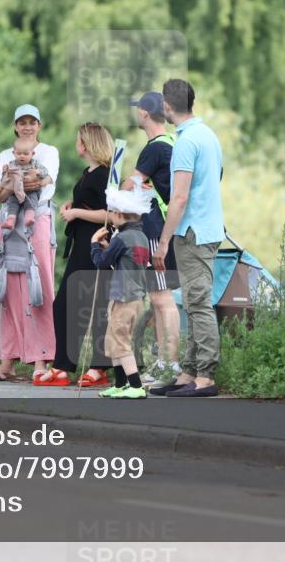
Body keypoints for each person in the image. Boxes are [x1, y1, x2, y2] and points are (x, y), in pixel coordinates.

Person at [150, 79, 225, 398]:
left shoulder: (184, 143)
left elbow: (179, 199)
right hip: (208, 227)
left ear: (167, 107)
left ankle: (205, 376)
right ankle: (189, 373)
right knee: (195, 302)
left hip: (192, 231)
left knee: (197, 303)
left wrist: (164, 240)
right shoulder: (208, 136)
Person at [0, 104, 59, 383]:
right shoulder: (6, 153)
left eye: (32, 122)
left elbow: (42, 185)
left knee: (38, 286)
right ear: (15, 126)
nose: (27, 126)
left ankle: (42, 357)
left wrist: (11, 184)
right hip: (8, 222)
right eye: (22, 122)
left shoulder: (49, 152)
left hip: (36, 220)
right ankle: (8, 360)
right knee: (9, 290)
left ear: (39, 125)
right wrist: (13, 185)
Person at [38, 123, 115, 387]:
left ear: (87, 143)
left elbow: (112, 214)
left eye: (79, 139)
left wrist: (77, 213)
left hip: (96, 244)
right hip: (81, 243)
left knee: (95, 305)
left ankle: (99, 366)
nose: (76, 143)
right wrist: (74, 205)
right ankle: (63, 364)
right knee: (67, 304)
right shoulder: (87, 172)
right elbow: (90, 203)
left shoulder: (105, 174)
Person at [121, 92, 182, 385]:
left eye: (138, 110)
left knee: (162, 298)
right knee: (159, 298)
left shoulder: (154, 148)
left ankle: (170, 366)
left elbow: (129, 186)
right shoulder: (172, 142)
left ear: (145, 113)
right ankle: (163, 363)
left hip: (156, 231)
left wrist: (122, 185)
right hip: (167, 228)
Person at [90, 186, 153, 399]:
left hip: (123, 297)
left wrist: (95, 245)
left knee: (120, 341)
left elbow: (102, 263)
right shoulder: (141, 237)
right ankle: (120, 384)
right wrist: (110, 247)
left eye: (112, 214)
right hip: (136, 297)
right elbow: (125, 260)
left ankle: (135, 386)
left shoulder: (122, 238)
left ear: (118, 214)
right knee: (113, 340)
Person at [0, 137, 51, 231]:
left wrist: (38, 172)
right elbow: (5, 180)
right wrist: (4, 172)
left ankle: (29, 217)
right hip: (15, 192)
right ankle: (11, 220)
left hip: (31, 191)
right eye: (19, 153)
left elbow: (45, 171)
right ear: (14, 153)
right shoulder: (11, 164)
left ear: (32, 153)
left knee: (31, 200)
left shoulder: (35, 163)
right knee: (12, 203)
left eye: (26, 154)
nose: (22, 156)